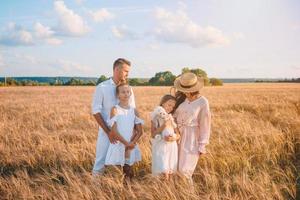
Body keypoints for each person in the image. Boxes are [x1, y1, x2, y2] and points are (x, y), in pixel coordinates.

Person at [91, 58, 138, 176]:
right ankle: (94, 191)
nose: (128, 74)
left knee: (125, 164)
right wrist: (108, 132)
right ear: (116, 69)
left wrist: (134, 133)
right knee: (100, 163)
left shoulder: (129, 89)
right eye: (126, 71)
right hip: (107, 134)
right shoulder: (102, 87)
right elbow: (96, 111)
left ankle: (122, 191)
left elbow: (132, 110)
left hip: (126, 135)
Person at [173, 72, 211, 184]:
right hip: (176, 137)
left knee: (185, 171)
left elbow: (205, 124)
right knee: (175, 169)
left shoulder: (203, 102)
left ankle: (189, 194)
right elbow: (172, 116)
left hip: (192, 139)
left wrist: (202, 145)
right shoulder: (180, 99)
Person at [105, 83, 143, 179]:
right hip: (118, 144)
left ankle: (129, 192)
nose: (126, 94)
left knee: (129, 172)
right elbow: (114, 131)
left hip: (130, 146)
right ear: (118, 95)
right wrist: (126, 143)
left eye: (128, 92)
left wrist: (131, 143)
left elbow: (140, 131)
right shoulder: (115, 110)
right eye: (123, 92)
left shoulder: (134, 111)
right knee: (115, 173)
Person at [150, 95, 180, 180]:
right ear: (163, 103)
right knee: (163, 171)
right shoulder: (156, 117)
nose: (171, 108)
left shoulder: (171, 118)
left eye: (173, 107)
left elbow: (178, 134)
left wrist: (173, 138)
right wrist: (164, 125)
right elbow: (153, 134)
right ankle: (160, 190)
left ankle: (167, 192)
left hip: (171, 147)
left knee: (170, 173)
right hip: (161, 147)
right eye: (169, 105)